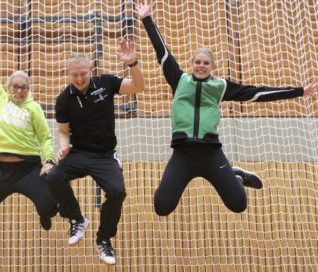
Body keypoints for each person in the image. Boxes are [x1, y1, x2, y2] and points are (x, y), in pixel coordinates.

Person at [136, 0, 318, 216]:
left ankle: (237, 176)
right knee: (162, 207)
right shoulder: (179, 79)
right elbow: (162, 52)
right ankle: (232, 175)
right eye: (198, 62)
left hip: (210, 152)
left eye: (206, 63)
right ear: (192, 64)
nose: (201, 65)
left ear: (212, 67)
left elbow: (257, 93)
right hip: (183, 153)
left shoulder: (220, 87)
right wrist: (147, 18)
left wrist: (298, 92)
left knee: (238, 204)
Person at [46, 39, 145, 265]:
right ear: (68, 74)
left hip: (104, 155)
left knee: (118, 192)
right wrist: (63, 146)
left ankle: (104, 239)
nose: (79, 79)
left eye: (83, 73)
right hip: (78, 153)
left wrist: (133, 64)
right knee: (52, 177)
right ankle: (77, 219)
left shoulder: (106, 83)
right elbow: (62, 132)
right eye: (74, 75)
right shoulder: (63, 99)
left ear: (91, 69)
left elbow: (138, 86)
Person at [0, 30, 58, 231]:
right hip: (3, 170)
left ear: (28, 89)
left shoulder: (34, 108)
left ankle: (43, 213)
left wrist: (50, 160)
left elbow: (45, 137)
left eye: (23, 88)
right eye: (16, 87)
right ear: (9, 87)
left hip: (29, 169)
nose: (19, 91)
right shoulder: (0, 99)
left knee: (51, 208)